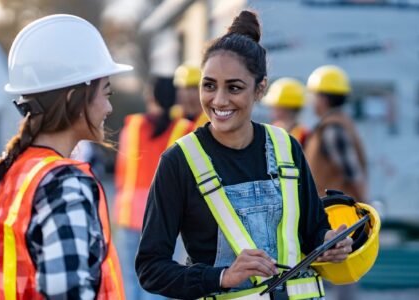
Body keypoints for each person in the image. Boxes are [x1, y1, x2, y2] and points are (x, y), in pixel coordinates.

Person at [136, 10, 353, 299]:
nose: (219, 100)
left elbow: (312, 230)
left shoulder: (287, 148)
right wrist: (223, 277)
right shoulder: (179, 161)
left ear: (260, 88)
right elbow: (151, 268)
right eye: (209, 85)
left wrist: (329, 242)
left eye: (234, 88)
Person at [0, 14, 131, 299]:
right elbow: (67, 292)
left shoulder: (8, 173)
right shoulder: (64, 184)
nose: (108, 107)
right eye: (105, 93)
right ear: (72, 98)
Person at [113, 76, 193, 300]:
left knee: (130, 280)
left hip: (129, 213)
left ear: (150, 96)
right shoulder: (186, 129)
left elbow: (121, 171)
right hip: (166, 216)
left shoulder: (133, 126)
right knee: (160, 281)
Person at [304, 65, 367, 202]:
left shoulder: (333, 128)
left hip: (336, 212)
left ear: (323, 99)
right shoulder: (336, 124)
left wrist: (364, 205)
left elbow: (353, 173)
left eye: (313, 95)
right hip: (332, 209)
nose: (311, 100)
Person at [263, 77, 310, 146]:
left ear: (284, 108)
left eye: (275, 106)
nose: (272, 108)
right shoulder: (269, 131)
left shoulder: (304, 136)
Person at [173, 63, 209, 129]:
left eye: (192, 88)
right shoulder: (174, 116)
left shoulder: (210, 121)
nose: (186, 94)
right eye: (181, 89)